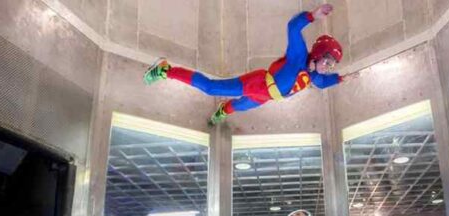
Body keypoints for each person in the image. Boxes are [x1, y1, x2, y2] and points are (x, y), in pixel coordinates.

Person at [143, 4, 353, 125]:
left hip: (266, 97)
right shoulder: (299, 56)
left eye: (332, 65)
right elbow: (292, 27)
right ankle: (165, 70)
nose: (328, 66)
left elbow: (324, 83)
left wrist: (341, 78)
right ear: (318, 54)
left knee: (239, 106)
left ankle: (223, 110)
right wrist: (313, 15)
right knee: (211, 87)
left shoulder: (314, 75)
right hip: (259, 83)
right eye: (327, 61)